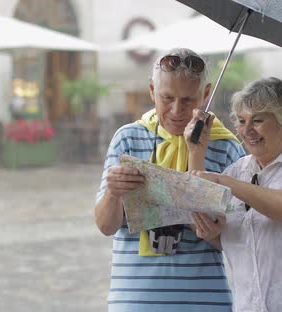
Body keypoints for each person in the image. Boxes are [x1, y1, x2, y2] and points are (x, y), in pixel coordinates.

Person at [94, 48, 246, 311]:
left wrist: (215, 235)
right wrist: (113, 192)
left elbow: (244, 241)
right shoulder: (128, 138)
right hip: (135, 300)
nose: (177, 110)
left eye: (188, 100)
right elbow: (106, 226)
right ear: (152, 90)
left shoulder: (227, 148)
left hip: (205, 300)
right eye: (167, 98)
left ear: (206, 94)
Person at [191, 77, 282, 311]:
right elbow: (238, 241)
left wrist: (224, 182)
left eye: (257, 120)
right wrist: (196, 152)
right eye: (241, 121)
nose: (247, 130)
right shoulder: (237, 170)